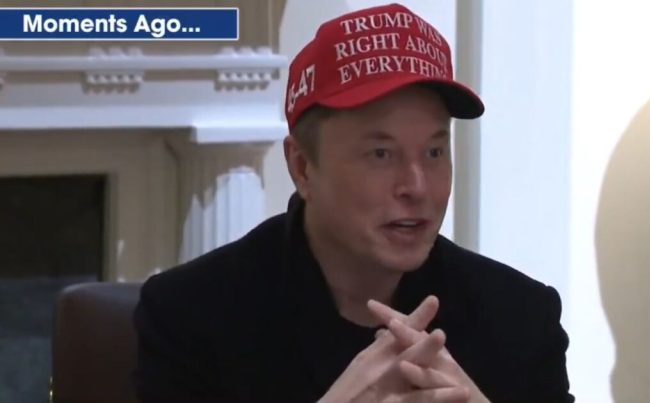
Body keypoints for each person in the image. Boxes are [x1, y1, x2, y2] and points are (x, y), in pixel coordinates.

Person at [133, 3, 574, 402]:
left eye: (434, 151)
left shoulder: (519, 318)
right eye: (381, 154)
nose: (417, 186)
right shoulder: (192, 316)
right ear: (303, 168)